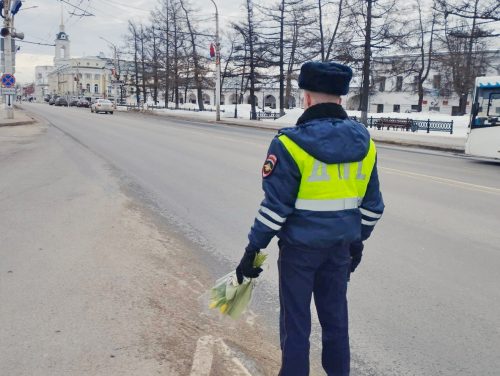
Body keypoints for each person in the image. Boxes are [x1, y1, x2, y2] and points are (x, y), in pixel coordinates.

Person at [236, 61, 384, 376]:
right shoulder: (366, 144)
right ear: (341, 98)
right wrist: (357, 242)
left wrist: (252, 250)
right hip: (339, 250)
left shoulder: (289, 144)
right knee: (336, 322)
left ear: (306, 97)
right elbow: (373, 208)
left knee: (296, 324)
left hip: (299, 254)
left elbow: (275, 210)